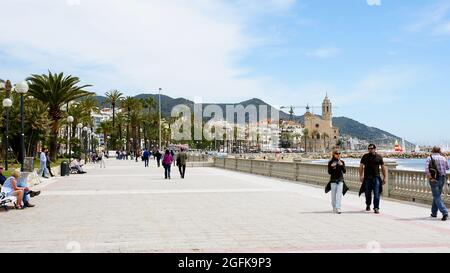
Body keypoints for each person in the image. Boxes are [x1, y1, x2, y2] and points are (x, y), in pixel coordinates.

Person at [359, 144, 387, 214]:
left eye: (371, 148)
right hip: (367, 178)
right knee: (367, 193)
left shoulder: (379, 157)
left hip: (376, 177)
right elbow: (361, 166)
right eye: (369, 148)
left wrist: (385, 177)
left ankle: (376, 207)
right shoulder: (365, 156)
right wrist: (360, 175)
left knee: (377, 193)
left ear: (375, 149)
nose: (370, 150)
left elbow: (383, 167)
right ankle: (368, 204)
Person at [425, 147, 449, 221]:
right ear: (439, 151)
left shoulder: (429, 158)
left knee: (436, 196)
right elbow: (447, 168)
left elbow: (426, 169)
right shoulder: (443, 158)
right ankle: (434, 213)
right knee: (437, 195)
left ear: (432, 150)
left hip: (434, 179)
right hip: (442, 178)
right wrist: (446, 159)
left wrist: (431, 177)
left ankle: (445, 212)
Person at [325, 150, 349, 214]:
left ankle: (338, 207)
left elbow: (344, 171)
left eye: (339, 153)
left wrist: (341, 165)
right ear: (333, 154)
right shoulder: (330, 162)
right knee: (333, 196)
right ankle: (334, 207)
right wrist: (332, 167)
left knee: (339, 195)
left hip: (340, 180)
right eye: (336, 153)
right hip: (333, 180)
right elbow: (329, 172)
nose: (338, 154)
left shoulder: (342, 162)